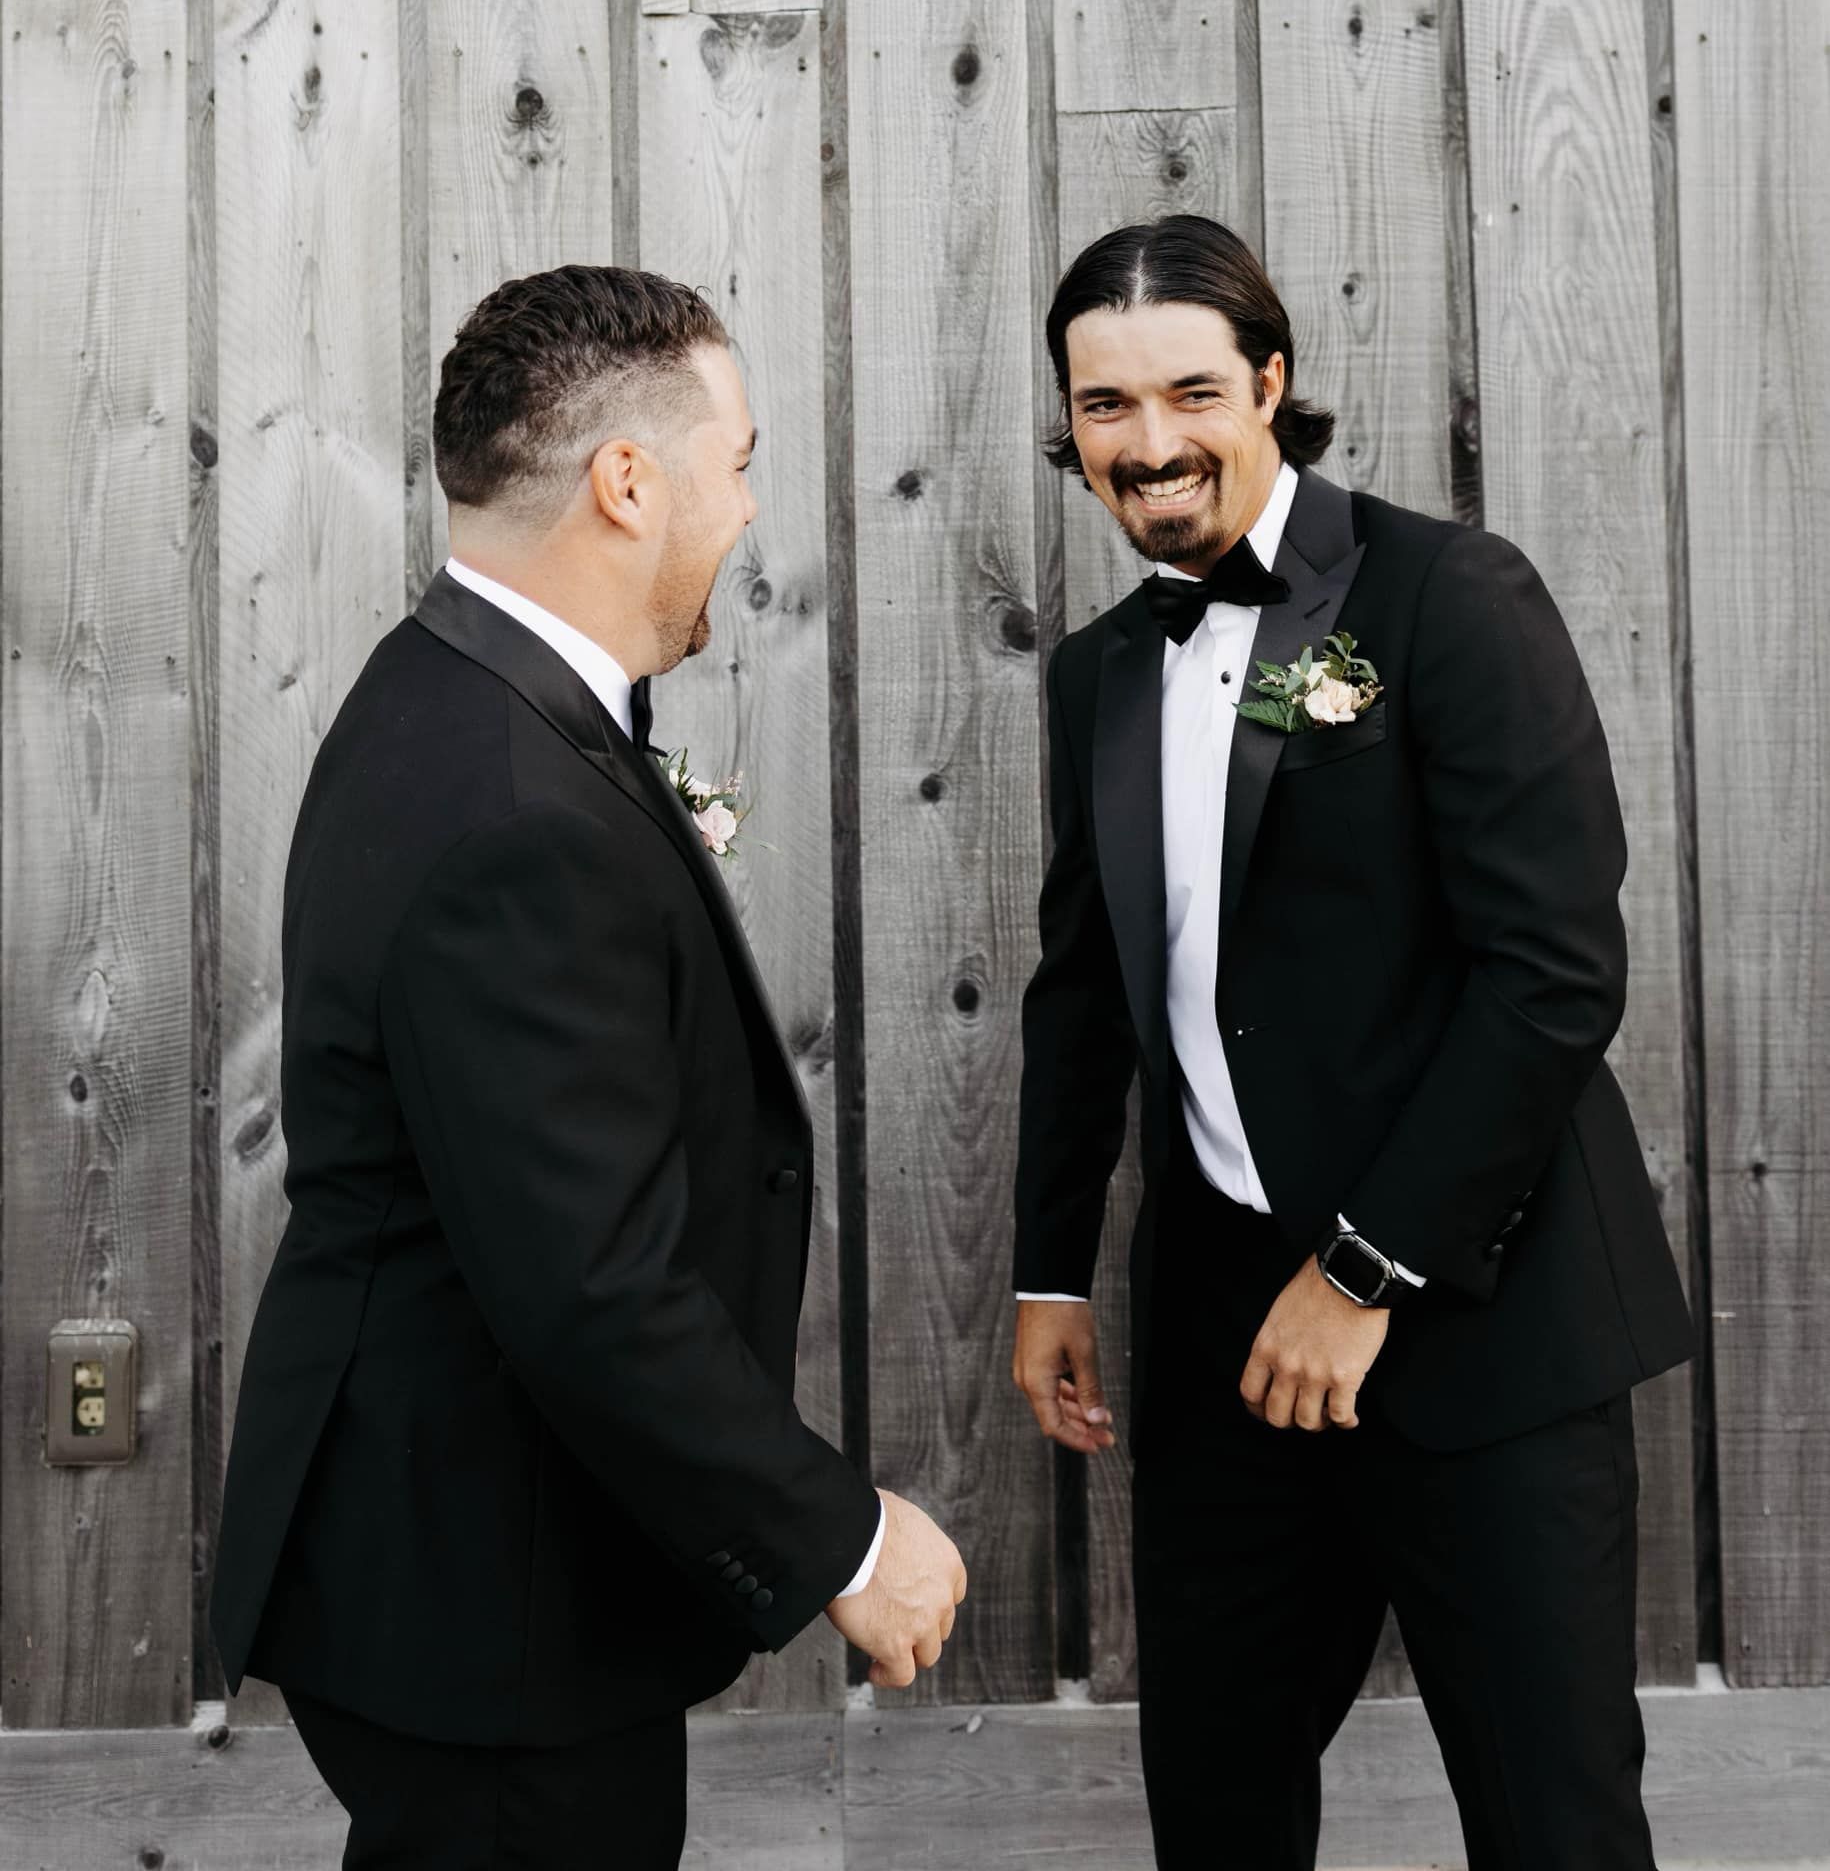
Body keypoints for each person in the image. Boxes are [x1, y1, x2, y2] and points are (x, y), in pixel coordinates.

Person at [211, 265, 965, 1869]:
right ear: (629, 482)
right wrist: (835, 1534)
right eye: (740, 459)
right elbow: (585, 1284)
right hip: (491, 1599)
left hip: (472, 1563)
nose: (750, 510)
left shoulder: (454, 696)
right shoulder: (510, 803)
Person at [1010, 215, 1694, 1869]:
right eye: (1105, 407)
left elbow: (1548, 973)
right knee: (1219, 1808)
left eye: (1187, 392)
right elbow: (1084, 991)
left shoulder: (1450, 593)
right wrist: (1048, 1274)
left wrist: (1365, 1271)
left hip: (1481, 1324)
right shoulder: (1102, 668)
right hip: (1222, 1356)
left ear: (1270, 380)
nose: (1150, 444)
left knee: (1552, 1818)